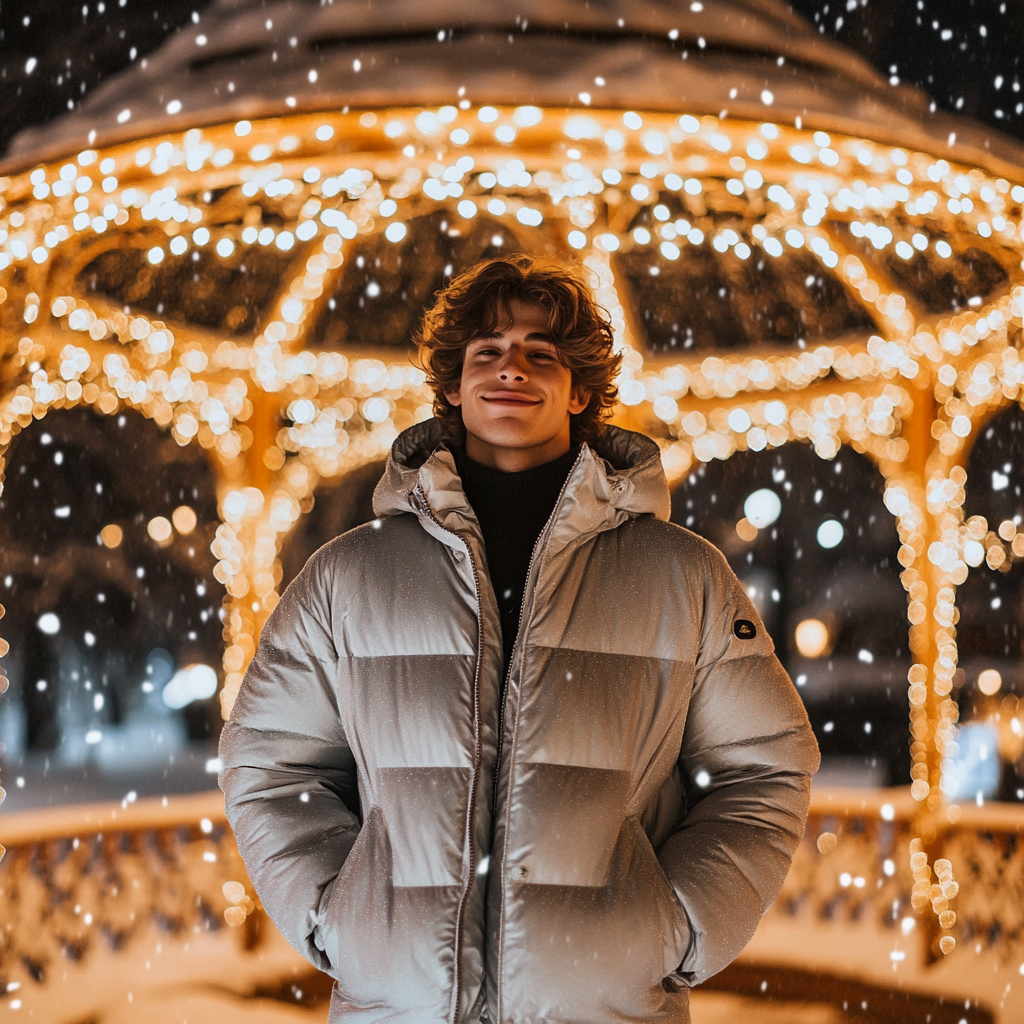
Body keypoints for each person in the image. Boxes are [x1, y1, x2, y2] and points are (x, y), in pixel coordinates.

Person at [219, 253, 820, 1024]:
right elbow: (268, 761)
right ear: (450, 384)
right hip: (400, 1008)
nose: (513, 370)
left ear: (580, 393)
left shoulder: (682, 577)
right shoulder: (349, 576)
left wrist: (676, 929)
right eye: (488, 352)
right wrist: (338, 918)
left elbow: (764, 768)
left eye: (544, 355)